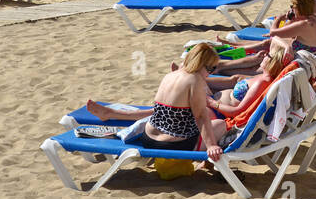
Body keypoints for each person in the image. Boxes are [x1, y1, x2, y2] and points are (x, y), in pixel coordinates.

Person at [86, 44, 228, 160]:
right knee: (220, 124)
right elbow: (201, 116)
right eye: (210, 68)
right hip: (171, 145)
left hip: (147, 138)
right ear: (200, 63)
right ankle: (200, 158)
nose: (210, 73)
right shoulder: (195, 80)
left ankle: (113, 114)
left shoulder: (170, 75)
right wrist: (211, 146)